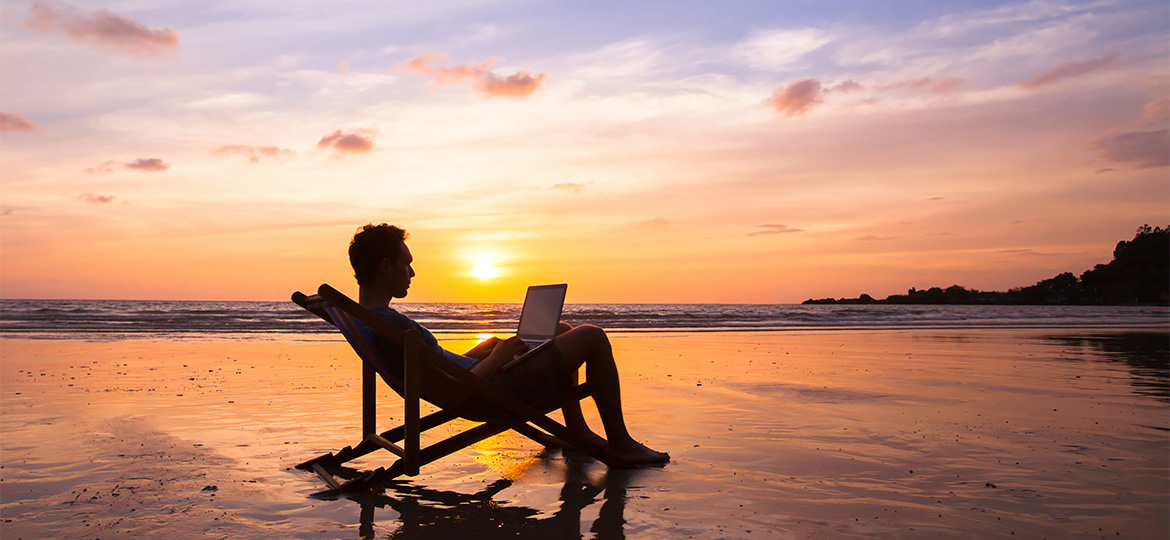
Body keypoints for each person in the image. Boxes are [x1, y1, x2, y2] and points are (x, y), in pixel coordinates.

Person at [349, 223, 669, 466]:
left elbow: (440, 369)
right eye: (406, 263)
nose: (413, 272)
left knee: (561, 329)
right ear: (386, 266)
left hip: (480, 377)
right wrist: (496, 359)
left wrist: (487, 349)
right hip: (488, 392)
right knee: (592, 337)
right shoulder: (392, 325)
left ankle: (577, 432)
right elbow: (453, 392)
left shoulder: (366, 321)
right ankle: (621, 444)